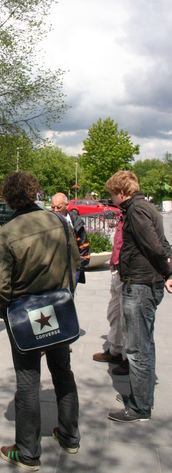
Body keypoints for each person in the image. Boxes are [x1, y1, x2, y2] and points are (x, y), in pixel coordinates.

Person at [0, 171, 80, 470]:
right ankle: (69, 435)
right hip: (58, 306)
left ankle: (28, 452)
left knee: (28, 381)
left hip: (24, 311)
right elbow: (75, 262)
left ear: (7, 197)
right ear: (33, 193)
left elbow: (1, 284)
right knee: (63, 371)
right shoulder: (58, 221)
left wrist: (2, 309)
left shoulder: (7, 231)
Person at [105, 171, 172, 423]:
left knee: (137, 348)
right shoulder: (147, 207)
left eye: (112, 193)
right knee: (144, 344)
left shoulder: (136, 210)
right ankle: (141, 396)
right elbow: (164, 244)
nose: (111, 198)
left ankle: (139, 407)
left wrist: (167, 271)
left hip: (141, 284)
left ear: (123, 192)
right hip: (146, 282)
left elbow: (154, 246)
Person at [92, 213, 129, 375]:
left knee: (125, 318)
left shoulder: (133, 215)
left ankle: (128, 359)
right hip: (117, 270)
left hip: (125, 271)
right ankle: (115, 350)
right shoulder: (123, 216)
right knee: (114, 313)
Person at [51, 193, 90, 283]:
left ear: (67, 205)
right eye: (53, 207)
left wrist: (78, 270)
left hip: (72, 270)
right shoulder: (47, 221)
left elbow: (84, 247)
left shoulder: (76, 223)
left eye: (59, 207)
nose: (55, 210)